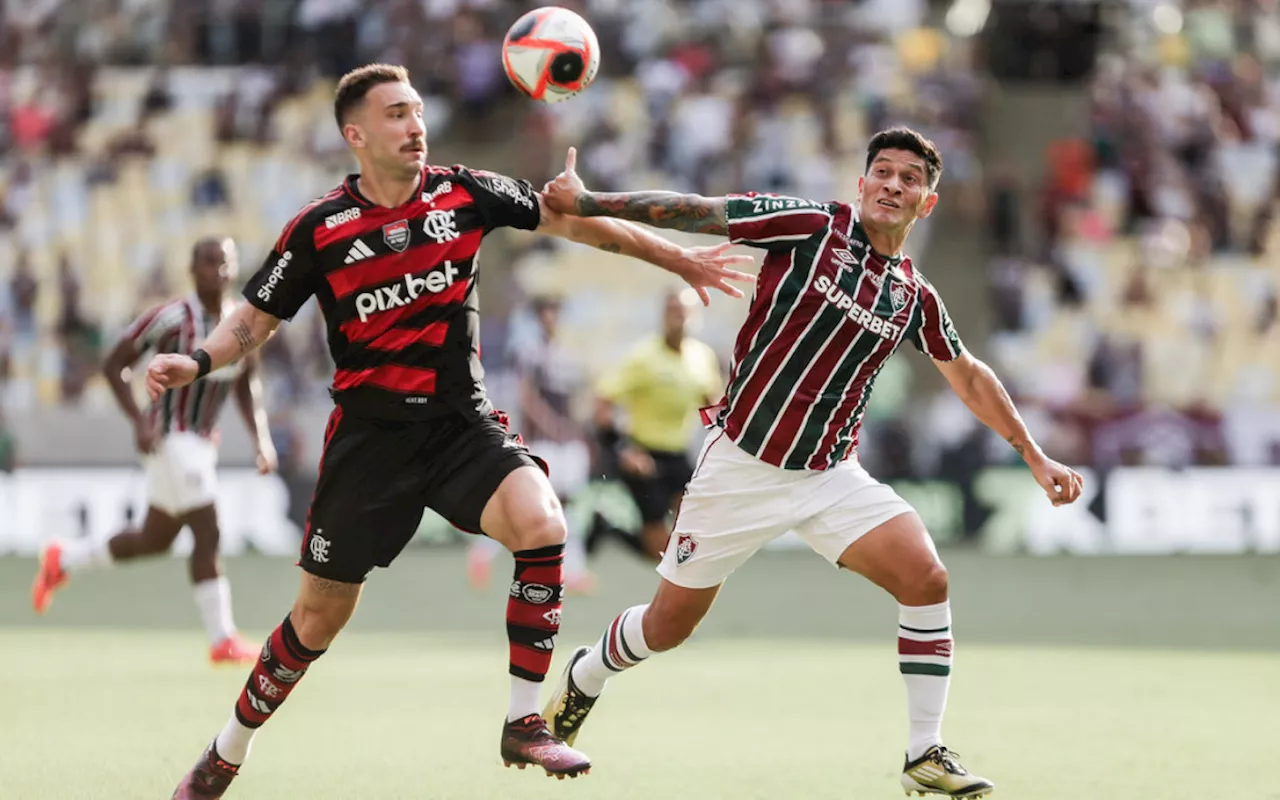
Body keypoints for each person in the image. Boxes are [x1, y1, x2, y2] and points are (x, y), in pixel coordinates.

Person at [144, 64, 753, 798]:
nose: (415, 126)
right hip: (370, 445)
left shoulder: (466, 191)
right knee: (316, 621)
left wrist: (676, 256)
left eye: (418, 112)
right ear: (356, 134)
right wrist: (201, 360)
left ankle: (525, 721)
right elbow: (256, 317)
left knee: (542, 522)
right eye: (397, 114)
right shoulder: (320, 228)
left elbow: (572, 222)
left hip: (460, 426)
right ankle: (225, 753)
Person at [539, 128, 1085, 799]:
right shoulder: (810, 226)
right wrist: (592, 200)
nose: (892, 184)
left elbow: (968, 374)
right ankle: (587, 674)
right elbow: (701, 210)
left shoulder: (913, 295)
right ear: (860, 185)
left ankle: (924, 754)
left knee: (926, 578)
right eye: (881, 172)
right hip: (740, 466)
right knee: (666, 627)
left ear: (927, 202)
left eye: (909, 178)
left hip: (829, 477)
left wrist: (1033, 453)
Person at [30, 238, 275, 666]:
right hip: (168, 436)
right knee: (208, 527)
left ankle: (62, 556)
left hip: (200, 442)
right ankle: (222, 639)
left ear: (234, 270)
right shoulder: (171, 318)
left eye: (225, 263)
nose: (216, 271)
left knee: (155, 539)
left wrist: (261, 439)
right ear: (191, 268)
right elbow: (113, 364)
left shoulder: (241, 321)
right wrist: (138, 419)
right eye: (208, 262)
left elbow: (245, 382)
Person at [466, 294, 595, 594]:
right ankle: (484, 552)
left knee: (564, 506)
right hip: (541, 442)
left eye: (555, 311)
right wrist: (551, 424)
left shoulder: (565, 354)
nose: (551, 318)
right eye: (546, 312)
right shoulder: (529, 352)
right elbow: (526, 396)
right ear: (539, 317)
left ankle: (572, 570)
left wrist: (577, 430)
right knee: (538, 507)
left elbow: (574, 399)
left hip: (564, 443)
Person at [591, 286, 721, 561]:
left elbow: (714, 406)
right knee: (660, 552)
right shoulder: (643, 356)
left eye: (685, 312)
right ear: (663, 315)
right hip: (643, 456)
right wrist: (623, 449)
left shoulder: (702, 357)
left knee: (698, 527)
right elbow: (602, 404)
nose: (680, 318)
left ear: (696, 316)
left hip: (677, 454)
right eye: (674, 312)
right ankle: (610, 528)